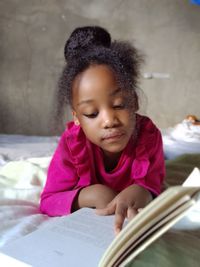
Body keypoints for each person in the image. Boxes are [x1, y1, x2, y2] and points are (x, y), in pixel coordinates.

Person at [40, 26, 165, 235]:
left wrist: (141, 192)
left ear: (133, 101)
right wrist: (90, 195)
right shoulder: (72, 146)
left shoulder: (148, 136)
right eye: (91, 113)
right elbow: (48, 201)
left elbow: (154, 185)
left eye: (118, 105)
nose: (109, 121)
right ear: (77, 118)